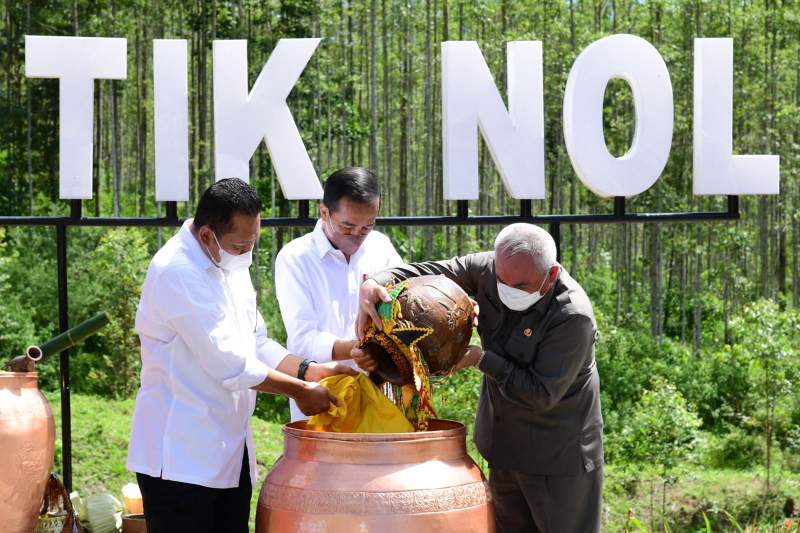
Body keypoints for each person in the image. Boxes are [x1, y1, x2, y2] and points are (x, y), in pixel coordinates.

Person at [127, 178, 355, 533]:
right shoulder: (176, 272)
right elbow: (229, 363)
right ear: (206, 235)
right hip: (179, 459)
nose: (247, 252)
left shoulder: (228, 259)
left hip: (228, 452)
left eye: (253, 241)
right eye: (241, 244)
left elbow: (256, 341)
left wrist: (309, 370)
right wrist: (298, 391)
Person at [354, 223, 603, 533]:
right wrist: (373, 283)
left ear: (550, 275)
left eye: (521, 286)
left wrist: (480, 358)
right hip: (503, 446)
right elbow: (421, 272)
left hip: (556, 456)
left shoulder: (571, 316)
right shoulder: (487, 270)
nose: (508, 290)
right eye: (501, 282)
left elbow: (540, 394)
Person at [274, 166, 402, 421]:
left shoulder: (381, 246)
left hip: (379, 399)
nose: (357, 236)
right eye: (347, 227)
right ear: (324, 212)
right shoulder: (295, 258)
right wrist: (357, 349)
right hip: (321, 397)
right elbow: (302, 340)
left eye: (367, 227)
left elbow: (403, 306)